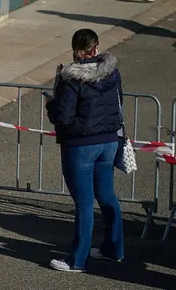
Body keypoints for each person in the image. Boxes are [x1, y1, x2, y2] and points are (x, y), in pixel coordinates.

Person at [46, 29, 124, 272]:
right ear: (96, 47)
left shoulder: (71, 78)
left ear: (75, 49)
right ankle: (114, 249)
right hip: (109, 141)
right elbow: (119, 102)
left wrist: (50, 106)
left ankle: (76, 260)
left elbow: (62, 117)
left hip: (81, 145)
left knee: (83, 204)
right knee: (107, 196)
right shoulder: (112, 72)